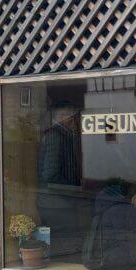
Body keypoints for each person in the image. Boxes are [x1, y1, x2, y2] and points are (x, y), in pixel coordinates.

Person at [36, 100, 87, 258]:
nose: (75, 121)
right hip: (56, 202)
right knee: (65, 243)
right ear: (61, 117)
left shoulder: (63, 135)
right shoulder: (55, 136)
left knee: (64, 243)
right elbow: (50, 174)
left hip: (57, 201)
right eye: (72, 117)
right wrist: (73, 189)